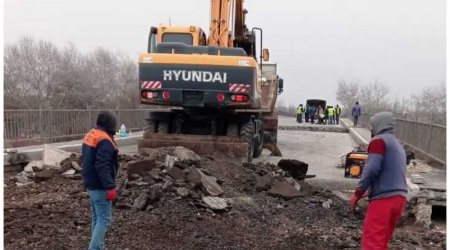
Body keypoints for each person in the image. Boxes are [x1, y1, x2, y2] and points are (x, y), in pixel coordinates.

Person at [350, 111, 407, 249]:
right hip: (400, 199)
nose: (371, 128)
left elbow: (371, 169)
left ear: (378, 124)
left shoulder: (379, 141)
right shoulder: (398, 145)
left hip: (384, 200)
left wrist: (358, 193)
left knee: (372, 243)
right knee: (381, 242)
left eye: (372, 125)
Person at [82, 111, 119, 250]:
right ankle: (95, 247)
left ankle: (98, 247)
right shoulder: (104, 140)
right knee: (104, 219)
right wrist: (110, 187)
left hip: (91, 184)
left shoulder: (91, 134)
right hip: (100, 186)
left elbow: (86, 161)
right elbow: (102, 165)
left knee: (97, 218)